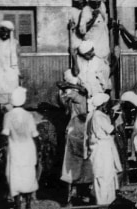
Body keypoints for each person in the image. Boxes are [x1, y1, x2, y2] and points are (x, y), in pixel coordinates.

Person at [57, 71, 92, 205]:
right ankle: (79, 194)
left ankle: (73, 196)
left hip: (76, 132)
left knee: (73, 164)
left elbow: (66, 95)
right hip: (79, 132)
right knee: (80, 163)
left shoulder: (78, 98)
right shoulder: (79, 97)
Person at [2, 87, 39, 209]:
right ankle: (28, 204)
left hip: (15, 149)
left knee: (15, 175)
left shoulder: (8, 116)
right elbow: (34, 134)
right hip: (28, 148)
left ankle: (18, 203)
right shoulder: (28, 115)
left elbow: (5, 134)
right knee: (28, 174)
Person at [87, 93, 122, 205]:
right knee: (105, 176)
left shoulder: (95, 115)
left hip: (101, 148)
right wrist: (114, 118)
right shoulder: (99, 116)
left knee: (105, 175)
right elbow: (111, 130)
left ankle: (106, 201)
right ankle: (104, 202)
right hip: (103, 149)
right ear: (102, 105)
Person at [78, 0, 111, 67]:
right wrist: (93, 18)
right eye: (95, 2)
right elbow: (82, 31)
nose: (97, 4)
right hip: (93, 49)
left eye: (98, 2)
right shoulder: (86, 10)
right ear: (89, 1)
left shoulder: (102, 6)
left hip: (103, 44)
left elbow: (104, 24)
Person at [0, 21, 21, 108]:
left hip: (11, 75)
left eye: (7, 31)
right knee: (0, 100)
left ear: (10, 32)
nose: (4, 33)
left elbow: (18, 59)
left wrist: (19, 73)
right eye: (3, 31)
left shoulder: (15, 43)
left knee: (12, 98)